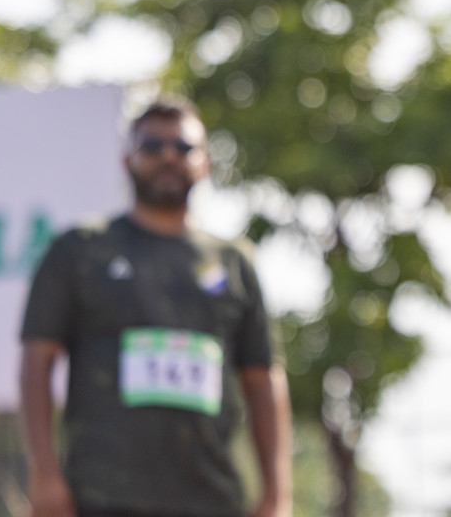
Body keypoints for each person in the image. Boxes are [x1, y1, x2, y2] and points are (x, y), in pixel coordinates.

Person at [18, 99, 291, 517]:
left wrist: (277, 494)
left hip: (213, 500)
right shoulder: (80, 250)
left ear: (205, 163)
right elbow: (38, 362)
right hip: (100, 498)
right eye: (152, 146)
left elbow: (262, 381)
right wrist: (43, 473)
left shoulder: (235, 263)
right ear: (127, 160)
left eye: (183, 148)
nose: (168, 156)